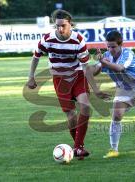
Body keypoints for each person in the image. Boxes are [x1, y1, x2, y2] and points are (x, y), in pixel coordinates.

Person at [26, 9, 108, 160]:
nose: (60, 29)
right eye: (57, 26)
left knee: (85, 106)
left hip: (77, 76)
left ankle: (78, 147)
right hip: (59, 80)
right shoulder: (47, 39)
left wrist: (96, 89)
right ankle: (77, 147)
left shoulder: (78, 40)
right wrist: (31, 77)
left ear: (70, 24)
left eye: (63, 25)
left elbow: (85, 68)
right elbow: (36, 56)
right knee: (71, 116)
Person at [86, 30, 135, 158]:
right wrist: (96, 90)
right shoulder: (106, 56)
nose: (110, 49)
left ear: (121, 44)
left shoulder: (128, 54)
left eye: (113, 46)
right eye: (108, 46)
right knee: (116, 115)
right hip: (124, 89)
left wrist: (104, 62)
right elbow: (90, 71)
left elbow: (120, 68)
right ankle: (114, 149)